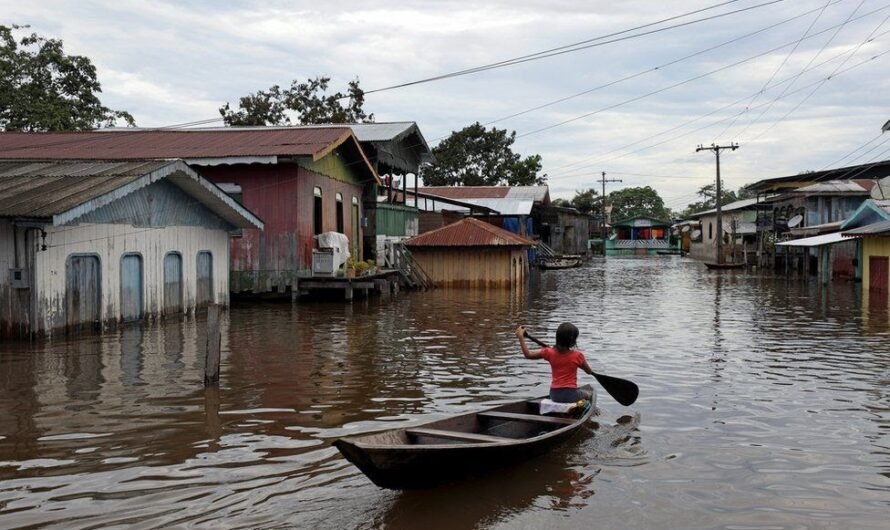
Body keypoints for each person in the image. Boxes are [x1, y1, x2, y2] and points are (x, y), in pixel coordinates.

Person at [516, 323, 594, 403]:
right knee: (589, 393)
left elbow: (528, 355)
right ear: (573, 341)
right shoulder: (578, 356)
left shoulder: (549, 352)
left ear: (557, 338)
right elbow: (588, 371)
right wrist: (580, 364)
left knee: (573, 394)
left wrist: (521, 337)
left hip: (554, 395)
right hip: (570, 395)